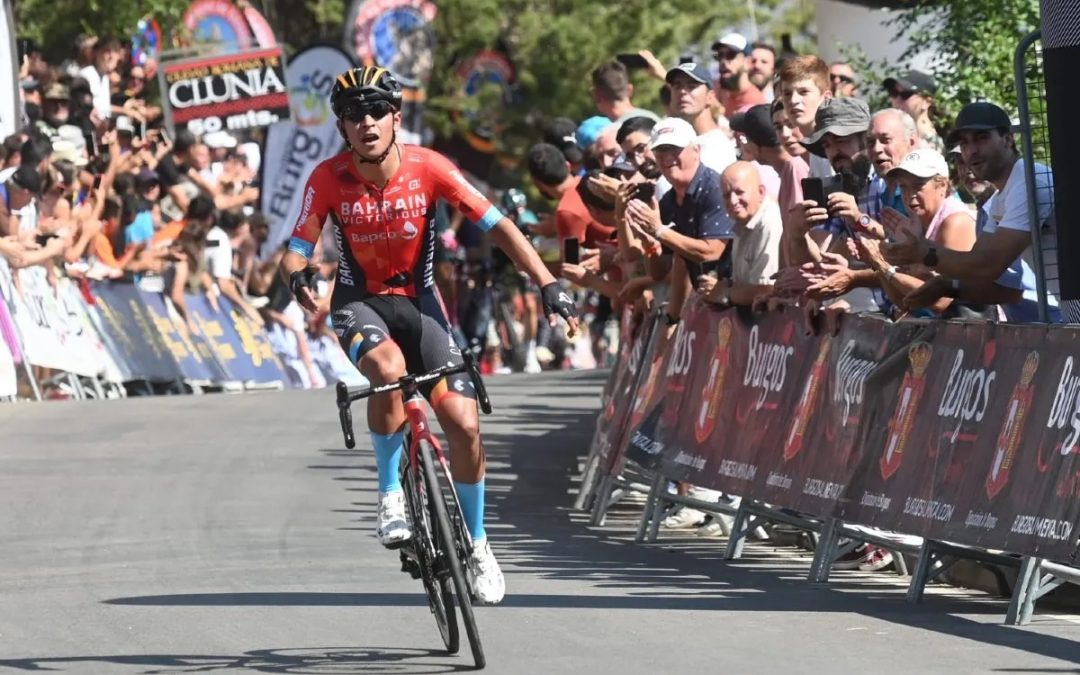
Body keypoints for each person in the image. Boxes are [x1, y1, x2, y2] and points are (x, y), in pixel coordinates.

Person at [280, 66, 579, 605]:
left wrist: (549, 282)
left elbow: (501, 227)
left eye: (376, 112)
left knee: (463, 424)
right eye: (353, 115)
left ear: (396, 117)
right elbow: (299, 242)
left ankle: (480, 545)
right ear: (342, 127)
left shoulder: (430, 167)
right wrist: (298, 272)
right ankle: (391, 494)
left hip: (422, 306)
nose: (366, 123)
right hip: (360, 305)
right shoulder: (327, 177)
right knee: (388, 371)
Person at [883, 70, 944, 152]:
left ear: (926, 102)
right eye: (894, 93)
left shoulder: (930, 146)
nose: (897, 99)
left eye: (905, 94)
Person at [712, 33, 767, 114]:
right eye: (719, 55)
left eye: (730, 55)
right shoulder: (719, 91)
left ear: (748, 62)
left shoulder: (754, 103)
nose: (723, 61)